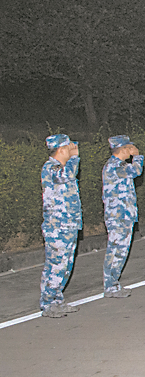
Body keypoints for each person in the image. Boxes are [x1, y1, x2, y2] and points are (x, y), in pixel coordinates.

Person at [39, 133, 82, 317]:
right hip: (57, 226)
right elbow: (68, 175)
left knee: (65, 265)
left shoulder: (62, 167)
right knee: (56, 264)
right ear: (62, 149)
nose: (73, 149)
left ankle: (57, 300)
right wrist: (75, 158)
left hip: (68, 224)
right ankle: (48, 303)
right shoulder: (51, 167)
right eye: (70, 147)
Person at [101, 135, 144, 298]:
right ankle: (110, 286)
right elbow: (136, 171)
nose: (131, 150)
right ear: (124, 149)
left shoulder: (119, 165)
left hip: (124, 214)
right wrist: (138, 156)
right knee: (116, 250)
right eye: (129, 148)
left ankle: (113, 284)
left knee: (121, 250)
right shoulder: (115, 166)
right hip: (118, 215)